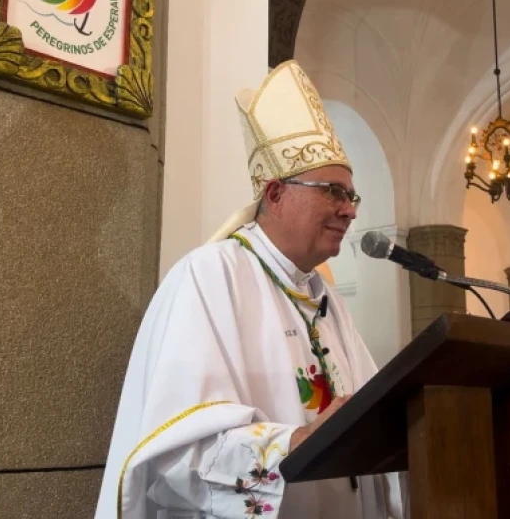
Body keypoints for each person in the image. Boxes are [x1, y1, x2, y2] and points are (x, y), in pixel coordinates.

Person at [95, 60, 407, 518]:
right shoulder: (208, 278)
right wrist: (296, 443)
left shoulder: (326, 299)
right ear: (276, 193)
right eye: (333, 192)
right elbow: (175, 454)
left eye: (352, 196)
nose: (350, 211)